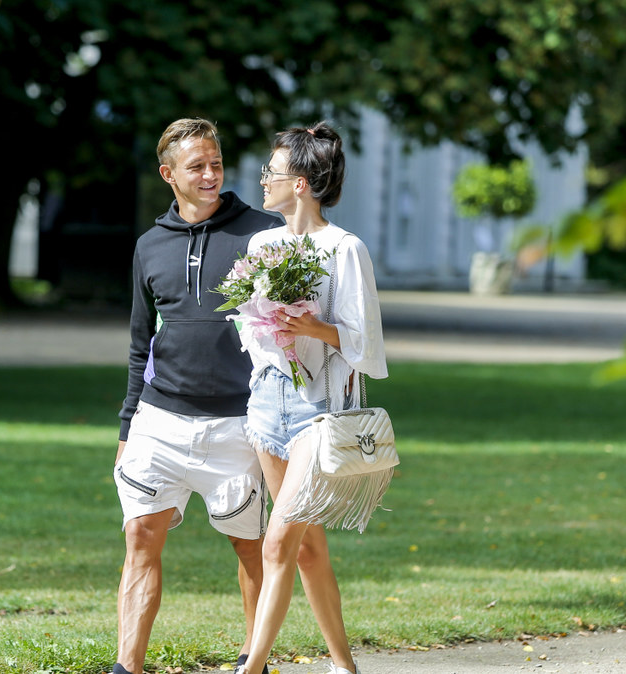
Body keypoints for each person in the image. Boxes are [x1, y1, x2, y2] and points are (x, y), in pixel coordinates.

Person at [114, 118, 280, 674]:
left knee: (251, 547)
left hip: (239, 424)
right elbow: (141, 347)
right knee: (141, 536)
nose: (210, 175)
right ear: (169, 175)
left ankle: (250, 662)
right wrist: (125, 428)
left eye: (216, 163)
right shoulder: (149, 246)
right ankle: (126, 668)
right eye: (196, 167)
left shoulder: (263, 233)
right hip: (159, 420)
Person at [235, 122, 388, 674]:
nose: (263, 181)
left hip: (320, 412)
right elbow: (249, 331)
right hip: (268, 403)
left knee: (278, 544)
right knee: (306, 547)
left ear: (300, 183)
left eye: (271, 173)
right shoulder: (262, 244)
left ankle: (251, 667)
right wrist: (267, 324)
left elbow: (366, 345)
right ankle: (344, 667)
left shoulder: (344, 249)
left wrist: (313, 327)